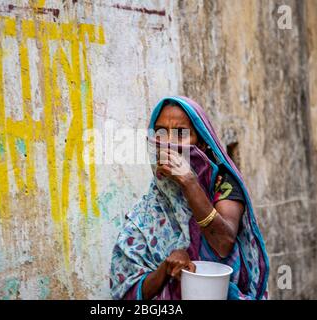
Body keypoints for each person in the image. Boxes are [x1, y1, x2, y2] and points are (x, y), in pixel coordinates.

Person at [109, 96, 269, 300]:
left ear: (201, 143)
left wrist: (189, 182)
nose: (168, 143)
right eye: (160, 132)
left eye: (180, 134)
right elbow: (127, 292)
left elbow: (223, 244)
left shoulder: (223, 183)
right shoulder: (148, 212)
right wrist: (166, 269)